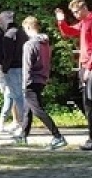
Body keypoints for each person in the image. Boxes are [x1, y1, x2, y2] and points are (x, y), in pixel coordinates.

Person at [55, 0, 92, 150]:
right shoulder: (84, 23)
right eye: (74, 13)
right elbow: (69, 32)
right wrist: (61, 21)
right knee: (78, 95)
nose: (76, 15)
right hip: (84, 65)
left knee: (89, 100)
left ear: (84, 8)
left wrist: (90, 68)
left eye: (77, 12)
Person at [15, 16, 67, 149]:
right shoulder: (45, 44)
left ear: (28, 27)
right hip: (41, 78)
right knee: (28, 108)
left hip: (31, 80)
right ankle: (23, 135)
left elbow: (27, 66)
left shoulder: (29, 45)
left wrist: (25, 83)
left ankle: (57, 136)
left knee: (37, 110)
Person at [0, 10, 26, 136]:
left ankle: (23, 124)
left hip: (12, 69)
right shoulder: (21, 32)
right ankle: (2, 121)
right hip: (22, 67)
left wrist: (4, 69)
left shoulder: (8, 35)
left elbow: (8, 55)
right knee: (10, 95)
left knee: (17, 96)